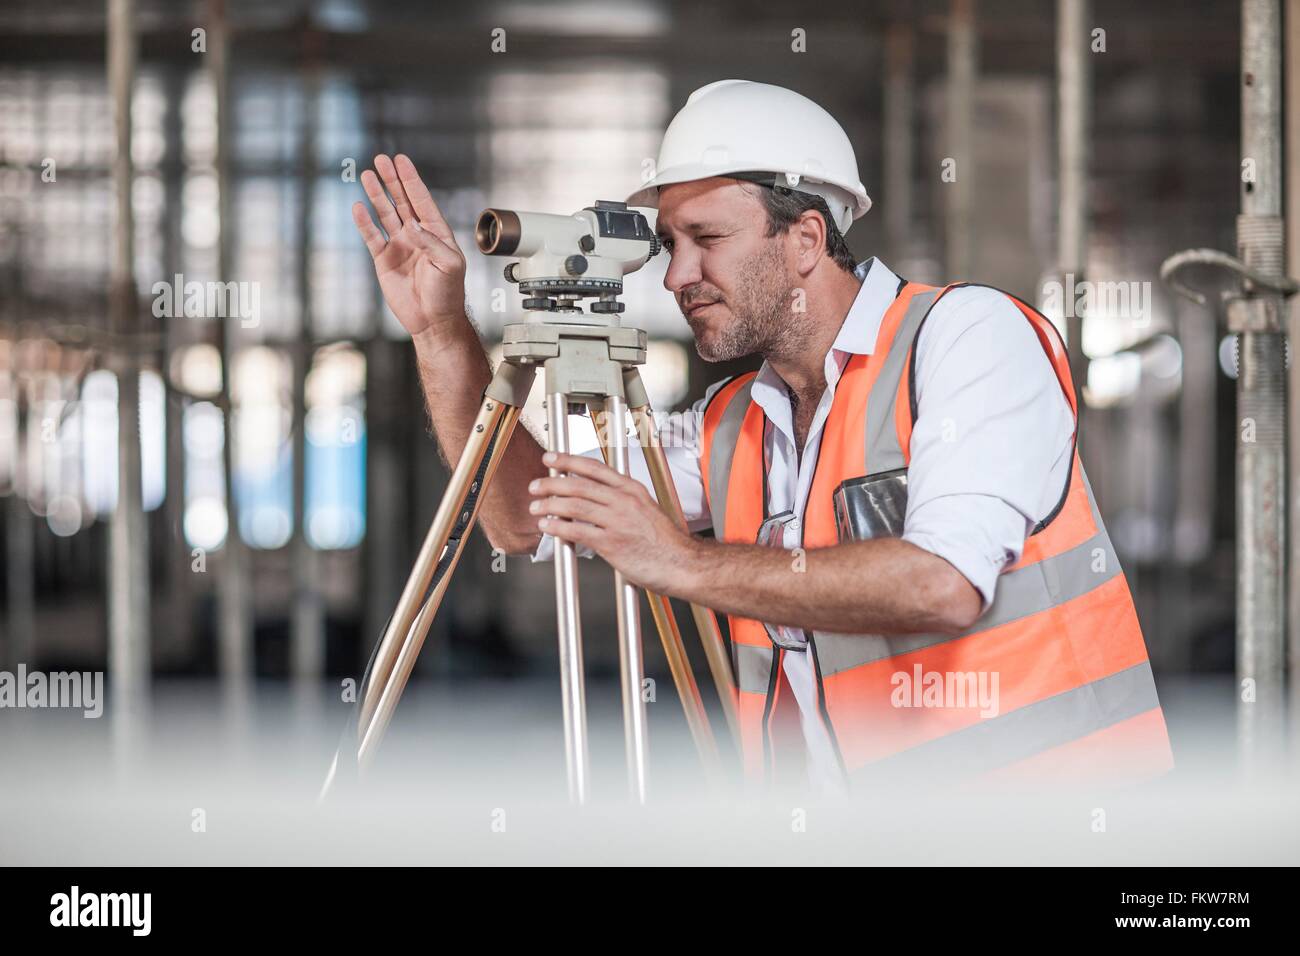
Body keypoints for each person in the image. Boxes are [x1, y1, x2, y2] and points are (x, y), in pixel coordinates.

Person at [351, 79, 1173, 792]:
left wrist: (678, 559)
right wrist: (440, 331)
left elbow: (945, 584)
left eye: (707, 239)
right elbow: (523, 516)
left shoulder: (967, 338)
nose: (675, 275)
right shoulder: (730, 423)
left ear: (807, 237)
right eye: (671, 244)